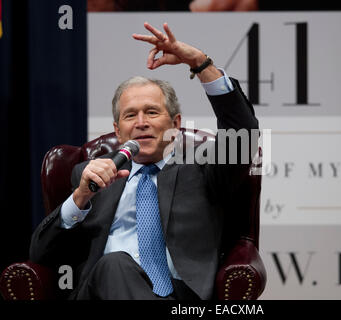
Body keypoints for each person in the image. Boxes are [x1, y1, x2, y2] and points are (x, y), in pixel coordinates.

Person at [29, 22, 258, 300]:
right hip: (101, 291)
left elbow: (243, 135)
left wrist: (199, 63)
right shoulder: (91, 176)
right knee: (116, 264)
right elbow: (41, 254)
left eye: (151, 112)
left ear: (175, 123)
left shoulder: (204, 168)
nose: (141, 123)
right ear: (117, 130)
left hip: (180, 297)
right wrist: (79, 198)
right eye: (130, 115)